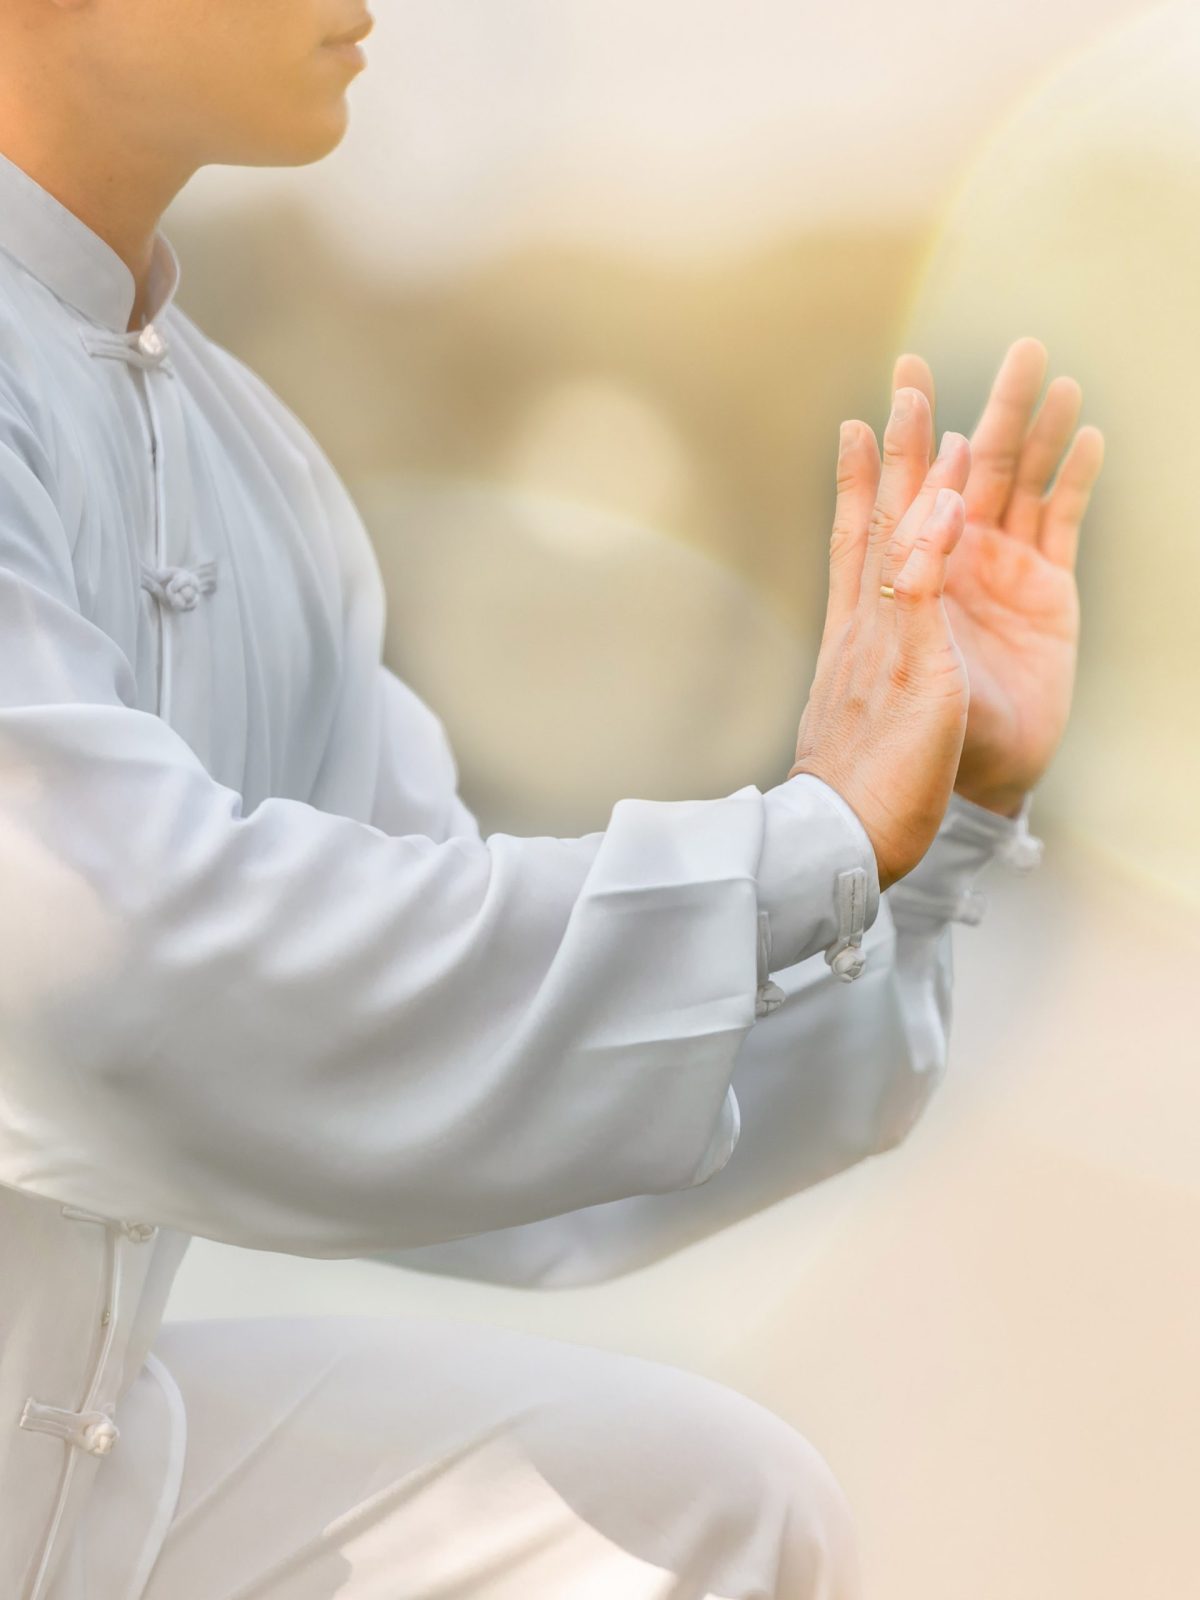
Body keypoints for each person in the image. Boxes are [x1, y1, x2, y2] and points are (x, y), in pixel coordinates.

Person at [0, 4, 1104, 1599]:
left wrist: (924, 839)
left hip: (71, 1473)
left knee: (702, 1508)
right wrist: (807, 843)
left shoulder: (252, 467)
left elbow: (459, 1070)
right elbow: (103, 984)